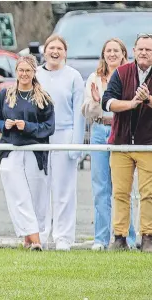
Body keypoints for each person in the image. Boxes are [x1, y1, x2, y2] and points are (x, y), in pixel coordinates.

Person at [0, 55, 55, 251]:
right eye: (21, 70)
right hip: (11, 151)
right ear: (16, 71)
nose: (24, 74)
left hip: (35, 152)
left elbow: (49, 127)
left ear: (34, 72)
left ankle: (30, 239)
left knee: (36, 196)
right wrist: (5, 125)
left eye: (28, 70)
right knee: (18, 195)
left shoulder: (43, 98)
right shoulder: (4, 95)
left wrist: (28, 127)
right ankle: (35, 240)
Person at [81, 38, 138, 251]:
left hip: (121, 131)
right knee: (101, 187)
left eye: (116, 50)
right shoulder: (94, 78)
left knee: (122, 188)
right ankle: (101, 239)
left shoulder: (130, 77)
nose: (112, 54)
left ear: (124, 53)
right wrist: (96, 101)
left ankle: (128, 237)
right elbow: (86, 111)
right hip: (99, 129)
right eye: (108, 51)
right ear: (103, 55)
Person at [101, 33, 152, 252]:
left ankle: (147, 237)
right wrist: (131, 104)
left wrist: (147, 100)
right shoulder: (121, 73)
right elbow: (107, 102)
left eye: (148, 50)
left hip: (148, 144)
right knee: (120, 193)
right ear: (133, 51)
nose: (144, 53)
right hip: (121, 143)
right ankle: (120, 237)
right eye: (140, 49)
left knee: (149, 193)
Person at [35, 35, 85, 251]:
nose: (55, 52)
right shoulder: (35, 74)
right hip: (40, 135)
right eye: (51, 48)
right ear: (44, 51)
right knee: (40, 186)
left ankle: (63, 236)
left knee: (64, 188)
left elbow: (79, 112)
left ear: (65, 52)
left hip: (65, 134)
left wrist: (77, 144)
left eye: (59, 48)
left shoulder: (73, 76)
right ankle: (40, 234)